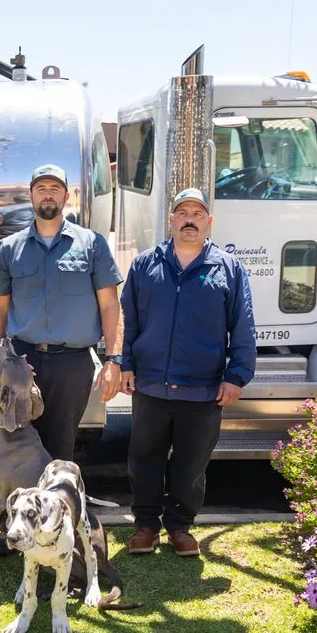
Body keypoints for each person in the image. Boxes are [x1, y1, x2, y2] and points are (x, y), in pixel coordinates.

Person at [120, 187, 257, 557]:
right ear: (172, 220)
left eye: (197, 214)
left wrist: (236, 375)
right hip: (151, 385)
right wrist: (125, 363)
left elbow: (243, 325)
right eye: (183, 213)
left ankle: (180, 527)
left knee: (191, 464)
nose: (190, 220)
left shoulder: (228, 268)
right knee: (144, 459)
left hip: (203, 389)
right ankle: (146, 525)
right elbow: (128, 320)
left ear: (208, 221)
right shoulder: (145, 264)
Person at [0, 164, 124, 461]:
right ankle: (24, 495)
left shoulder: (92, 244)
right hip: (22, 363)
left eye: (54, 189)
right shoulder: (9, 248)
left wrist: (113, 360)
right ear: (31, 196)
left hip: (72, 365)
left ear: (65, 196)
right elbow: (0, 309)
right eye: (41, 189)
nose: (48, 195)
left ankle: (60, 493)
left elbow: (110, 306)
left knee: (61, 449)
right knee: (18, 448)